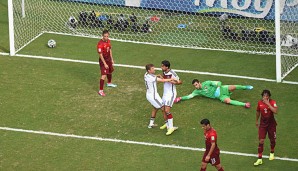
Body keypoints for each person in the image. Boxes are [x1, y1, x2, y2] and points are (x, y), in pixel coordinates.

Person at [174, 79, 253, 108]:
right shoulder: (197, 92)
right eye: (194, 86)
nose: (196, 87)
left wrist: (218, 88)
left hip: (223, 88)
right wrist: (180, 98)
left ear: (199, 82)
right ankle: (244, 104)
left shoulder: (207, 83)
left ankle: (245, 87)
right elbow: (189, 96)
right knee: (228, 101)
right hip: (220, 96)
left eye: (196, 84)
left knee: (233, 87)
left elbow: (219, 82)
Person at [144, 64, 174, 128]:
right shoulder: (152, 78)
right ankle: (168, 125)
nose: (154, 69)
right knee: (163, 109)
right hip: (153, 97)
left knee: (156, 108)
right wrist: (170, 79)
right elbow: (162, 80)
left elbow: (154, 76)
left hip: (151, 95)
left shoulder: (146, 74)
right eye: (152, 69)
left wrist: (157, 75)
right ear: (149, 70)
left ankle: (151, 124)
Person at [254, 90, 278, 166]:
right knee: (261, 141)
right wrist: (257, 121)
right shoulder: (259, 103)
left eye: (267, 96)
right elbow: (258, 112)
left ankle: (272, 152)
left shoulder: (273, 102)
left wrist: (268, 104)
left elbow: (275, 111)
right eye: (264, 96)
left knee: (272, 140)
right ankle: (259, 159)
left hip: (271, 124)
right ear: (262, 96)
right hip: (263, 125)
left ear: (269, 96)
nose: (265, 97)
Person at [160, 60, 182, 135]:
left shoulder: (172, 73)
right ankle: (167, 124)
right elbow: (165, 78)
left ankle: (171, 127)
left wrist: (173, 82)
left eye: (162, 66)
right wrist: (161, 78)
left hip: (171, 94)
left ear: (167, 67)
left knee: (167, 110)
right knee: (163, 109)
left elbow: (180, 82)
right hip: (165, 93)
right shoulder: (164, 72)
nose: (161, 67)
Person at [97, 30, 117, 96]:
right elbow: (100, 55)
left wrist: (112, 59)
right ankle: (100, 91)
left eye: (107, 36)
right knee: (104, 75)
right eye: (105, 36)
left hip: (108, 59)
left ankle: (109, 83)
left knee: (110, 71)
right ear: (102, 36)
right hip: (103, 61)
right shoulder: (100, 44)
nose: (106, 37)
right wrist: (105, 63)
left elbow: (110, 49)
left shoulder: (108, 41)